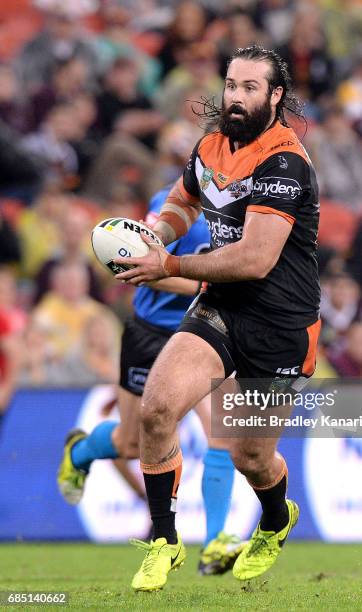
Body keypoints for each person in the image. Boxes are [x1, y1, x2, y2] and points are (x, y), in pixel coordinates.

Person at [113, 45, 321, 590]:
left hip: (281, 324)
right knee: (158, 409)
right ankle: (164, 542)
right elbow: (183, 203)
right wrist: (155, 236)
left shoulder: (285, 161)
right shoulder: (210, 145)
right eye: (231, 84)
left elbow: (255, 259)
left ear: (276, 96)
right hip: (221, 307)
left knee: (253, 457)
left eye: (250, 87)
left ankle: (276, 519)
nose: (235, 96)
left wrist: (170, 263)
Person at [57, 187, 244, 576]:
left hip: (203, 330)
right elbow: (145, 271)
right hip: (152, 334)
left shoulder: (252, 211)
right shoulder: (174, 204)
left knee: (224, 432)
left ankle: (214, 545)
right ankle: (80, 452)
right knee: (131, 443)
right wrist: (207, 282)